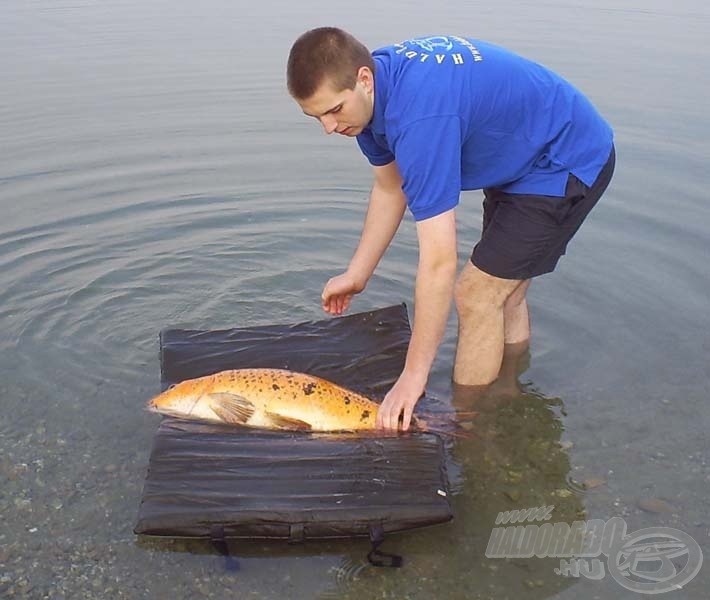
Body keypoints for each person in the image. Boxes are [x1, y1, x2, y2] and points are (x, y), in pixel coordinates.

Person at [286, 28, 615, 431]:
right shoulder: (368, 106)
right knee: (503, 294)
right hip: (519, 155)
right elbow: (391, 187)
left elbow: (440, 260)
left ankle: (466, 428)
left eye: (334, 110)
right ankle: (509, 392)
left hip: (563, 158)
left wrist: (413, 376)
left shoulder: (421, 118)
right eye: (316, 116)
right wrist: (358, 273)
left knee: (477, 295)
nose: (328, 127)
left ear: (364, 80)